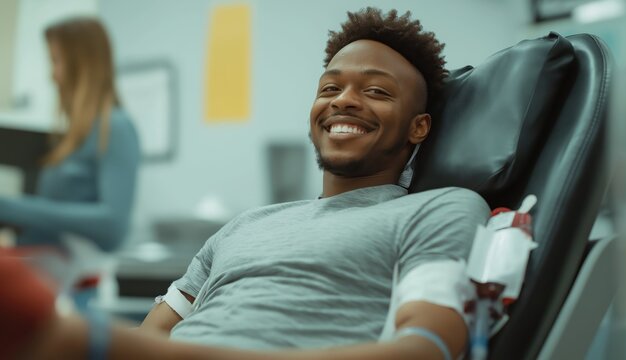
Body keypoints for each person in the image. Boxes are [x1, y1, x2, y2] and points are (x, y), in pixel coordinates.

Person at [0, 8, 489, 360]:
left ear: (419, 126)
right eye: (330, 88)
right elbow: (153, 337)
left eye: (377, 91)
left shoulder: (442, 209)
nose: (345, 101)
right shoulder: (246, 225)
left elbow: (428, 346)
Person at [0, 17, 139, 252]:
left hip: (75, 280)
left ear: (81, 65)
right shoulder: (72, 137)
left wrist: (10, 207)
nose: (52, 76)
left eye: (56, 61)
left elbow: (114, 224)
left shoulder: (116, 127)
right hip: (45, 267)